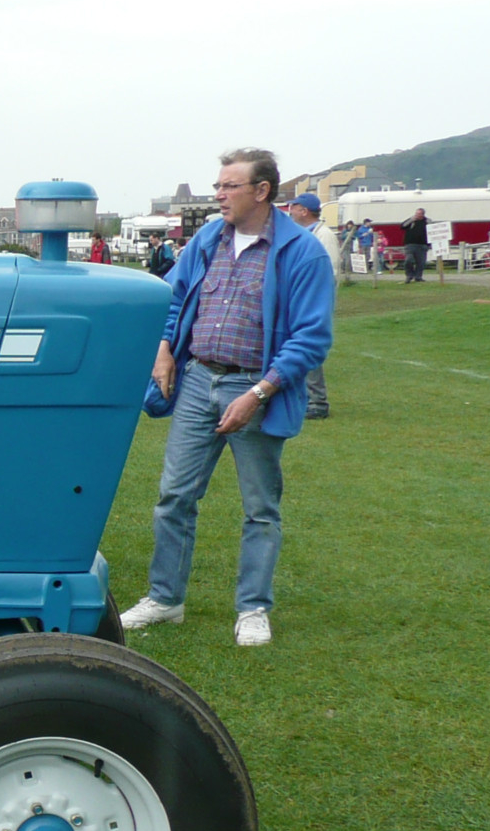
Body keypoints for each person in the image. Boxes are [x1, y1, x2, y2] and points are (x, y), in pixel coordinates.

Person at [119, 148, 334, 647]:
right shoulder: (207, 239)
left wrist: (259, 393)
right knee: (174, 496)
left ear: (262, 192)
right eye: (217, 185)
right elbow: (172, 297)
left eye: (228, 186)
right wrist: (165, 348)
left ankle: (254, 608)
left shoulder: (302, 252)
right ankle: (165, 598)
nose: (218, 195)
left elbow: (312, 337)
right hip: (197, 381)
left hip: (253, 387)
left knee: (260, 506)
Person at [284, 192, 337, 419]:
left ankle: (317, 402)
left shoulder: (324, 235)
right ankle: (300, 397)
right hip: (296, 299)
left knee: (307, 346)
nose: (290, 211)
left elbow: (329, 272)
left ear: (304, 210)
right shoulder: (302, 234)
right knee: (291, 346)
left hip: (311, 301)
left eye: (293, 207)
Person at [402, 208, 431, 283]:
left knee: (421, 262)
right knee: (408, 260)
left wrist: (429, 244)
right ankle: (409, 275)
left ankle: (418, 277)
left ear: (422, 214)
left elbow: (432, 231)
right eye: (416, 213)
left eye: (419, 214)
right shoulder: (411, 221)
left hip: (422, 245)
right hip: (410, 245)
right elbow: (402, 226)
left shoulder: (427, 221)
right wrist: (412, 220)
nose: (417, 215)